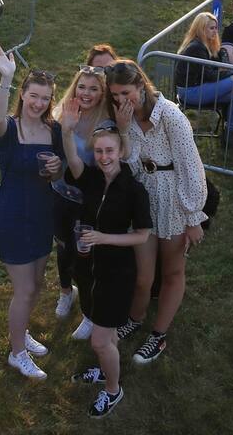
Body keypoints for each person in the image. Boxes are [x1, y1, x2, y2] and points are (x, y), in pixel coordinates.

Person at [104, 59, 206, 366]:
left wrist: (193, 217)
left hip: (174, 197)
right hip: (145, 199)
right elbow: (132, 165)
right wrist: (123, 130)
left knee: (172, 271)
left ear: (140, 85)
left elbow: (191, 167)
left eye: (125, 93)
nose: (121, 101)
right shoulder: (127, 118)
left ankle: (158, 334)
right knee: (143, 275)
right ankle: (136, 317)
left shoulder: (171, 116)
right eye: (115, 96)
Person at [61, 120, 151, 419]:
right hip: (88, 270)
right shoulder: (91, 180)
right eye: (98, 151)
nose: (104, 157)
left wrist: (103, 239)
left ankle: (113, 390)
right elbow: (73, 160)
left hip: (116, 273)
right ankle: (104, 371)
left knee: (99, 340)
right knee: (107, 333)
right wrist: (65, 130)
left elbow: (142, 235)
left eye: (110, 150)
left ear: (121, 150)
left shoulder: (134, 190)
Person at [0, 43, 65, 380]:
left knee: (37, 282)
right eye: (33, 96)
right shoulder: (11, 128)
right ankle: (17, 353)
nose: (38, 103)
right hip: (14, 215)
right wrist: (5, 79)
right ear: (23, 94)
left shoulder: (54, 130)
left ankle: (22, 333)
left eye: (45, 98)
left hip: (42, 214)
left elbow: (59, 171)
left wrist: (57, 167)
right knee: (25, 289)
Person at [52, 64, 116, 329]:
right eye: (82, 87)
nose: (86, 93)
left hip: (87, 199)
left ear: (102, 93)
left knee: (85, 253)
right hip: (59, 194)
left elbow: (88, 169)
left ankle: (90, 311)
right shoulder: (61, 113)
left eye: (93, 89)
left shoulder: (105, 124)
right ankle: (66, 292)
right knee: (63, 248)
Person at [175, 12, 233, 153]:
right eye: (211, 28)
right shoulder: (196, 47)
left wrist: (221, 56)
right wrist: (229, 74)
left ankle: (229, 138)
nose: (215, 31)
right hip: (190, 92)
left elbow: (212, 70)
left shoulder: (205, 45)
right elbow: (209, 75)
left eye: (216, 28)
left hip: (200, 88)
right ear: (201, 29)